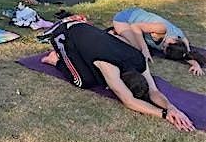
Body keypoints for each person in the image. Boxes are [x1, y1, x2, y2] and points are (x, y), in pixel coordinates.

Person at [40, 20, 195, 131]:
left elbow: (154, 91)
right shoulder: (110, 68)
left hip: (89, 32)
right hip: (65, 34)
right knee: (82, 81)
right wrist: (163, 114)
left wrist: (172, 108)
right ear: (121, 82)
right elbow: (128, 100)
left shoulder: (139, 60)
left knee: (95, 75)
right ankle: (55, 59)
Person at [112, 7, 205, 76]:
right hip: (125, 18)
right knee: (137, 48)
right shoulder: (162, 28)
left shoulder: (179, 46)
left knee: (139, 44)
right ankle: (112, 34)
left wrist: (196, 65)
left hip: (137, 21)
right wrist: (145, 49)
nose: (162, 46)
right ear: (174, 39)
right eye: (164, 46)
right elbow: (135, 27)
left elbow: (184, 54)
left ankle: (120, 33)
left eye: (163, 48)